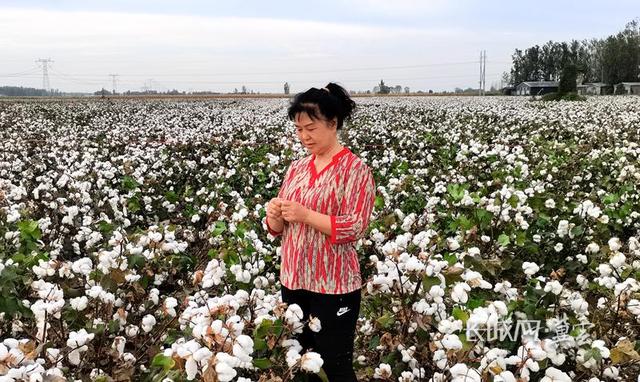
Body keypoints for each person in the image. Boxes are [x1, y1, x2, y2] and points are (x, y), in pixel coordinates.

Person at [263, 82, 376, 381]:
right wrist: (275, 216)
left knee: (334, 365)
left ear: (333, 123)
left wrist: (306, 215)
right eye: (299, 130)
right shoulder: (297, 169)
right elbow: (278, 229)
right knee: (303, 361)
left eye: (310, 128)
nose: (303, 136)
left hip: (334, 286)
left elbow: (355, 226)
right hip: (294, 279)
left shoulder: (355, 169)